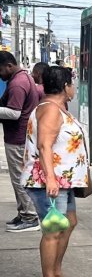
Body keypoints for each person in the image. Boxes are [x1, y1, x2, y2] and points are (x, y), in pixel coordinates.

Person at [21, 66, 88, 277]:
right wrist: (50, 178)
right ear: (64, 86)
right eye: (72, 84)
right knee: (53, 230)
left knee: (68, 222)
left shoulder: (58, 108)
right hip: (50, 182)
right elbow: (44, 146)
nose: (74, 88)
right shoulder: (50, 110)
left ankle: (56, 273)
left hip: (64, 181)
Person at [0, 51, 41, 232]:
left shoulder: (17, 83)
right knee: (19, 178)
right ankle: (24, 212)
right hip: (20, 137)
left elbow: (14, 113)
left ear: (9, 65)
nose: (0, 75)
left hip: (17, 139)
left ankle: (30, 217)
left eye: (0, 70)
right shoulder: (22, 78)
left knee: (19, 179)